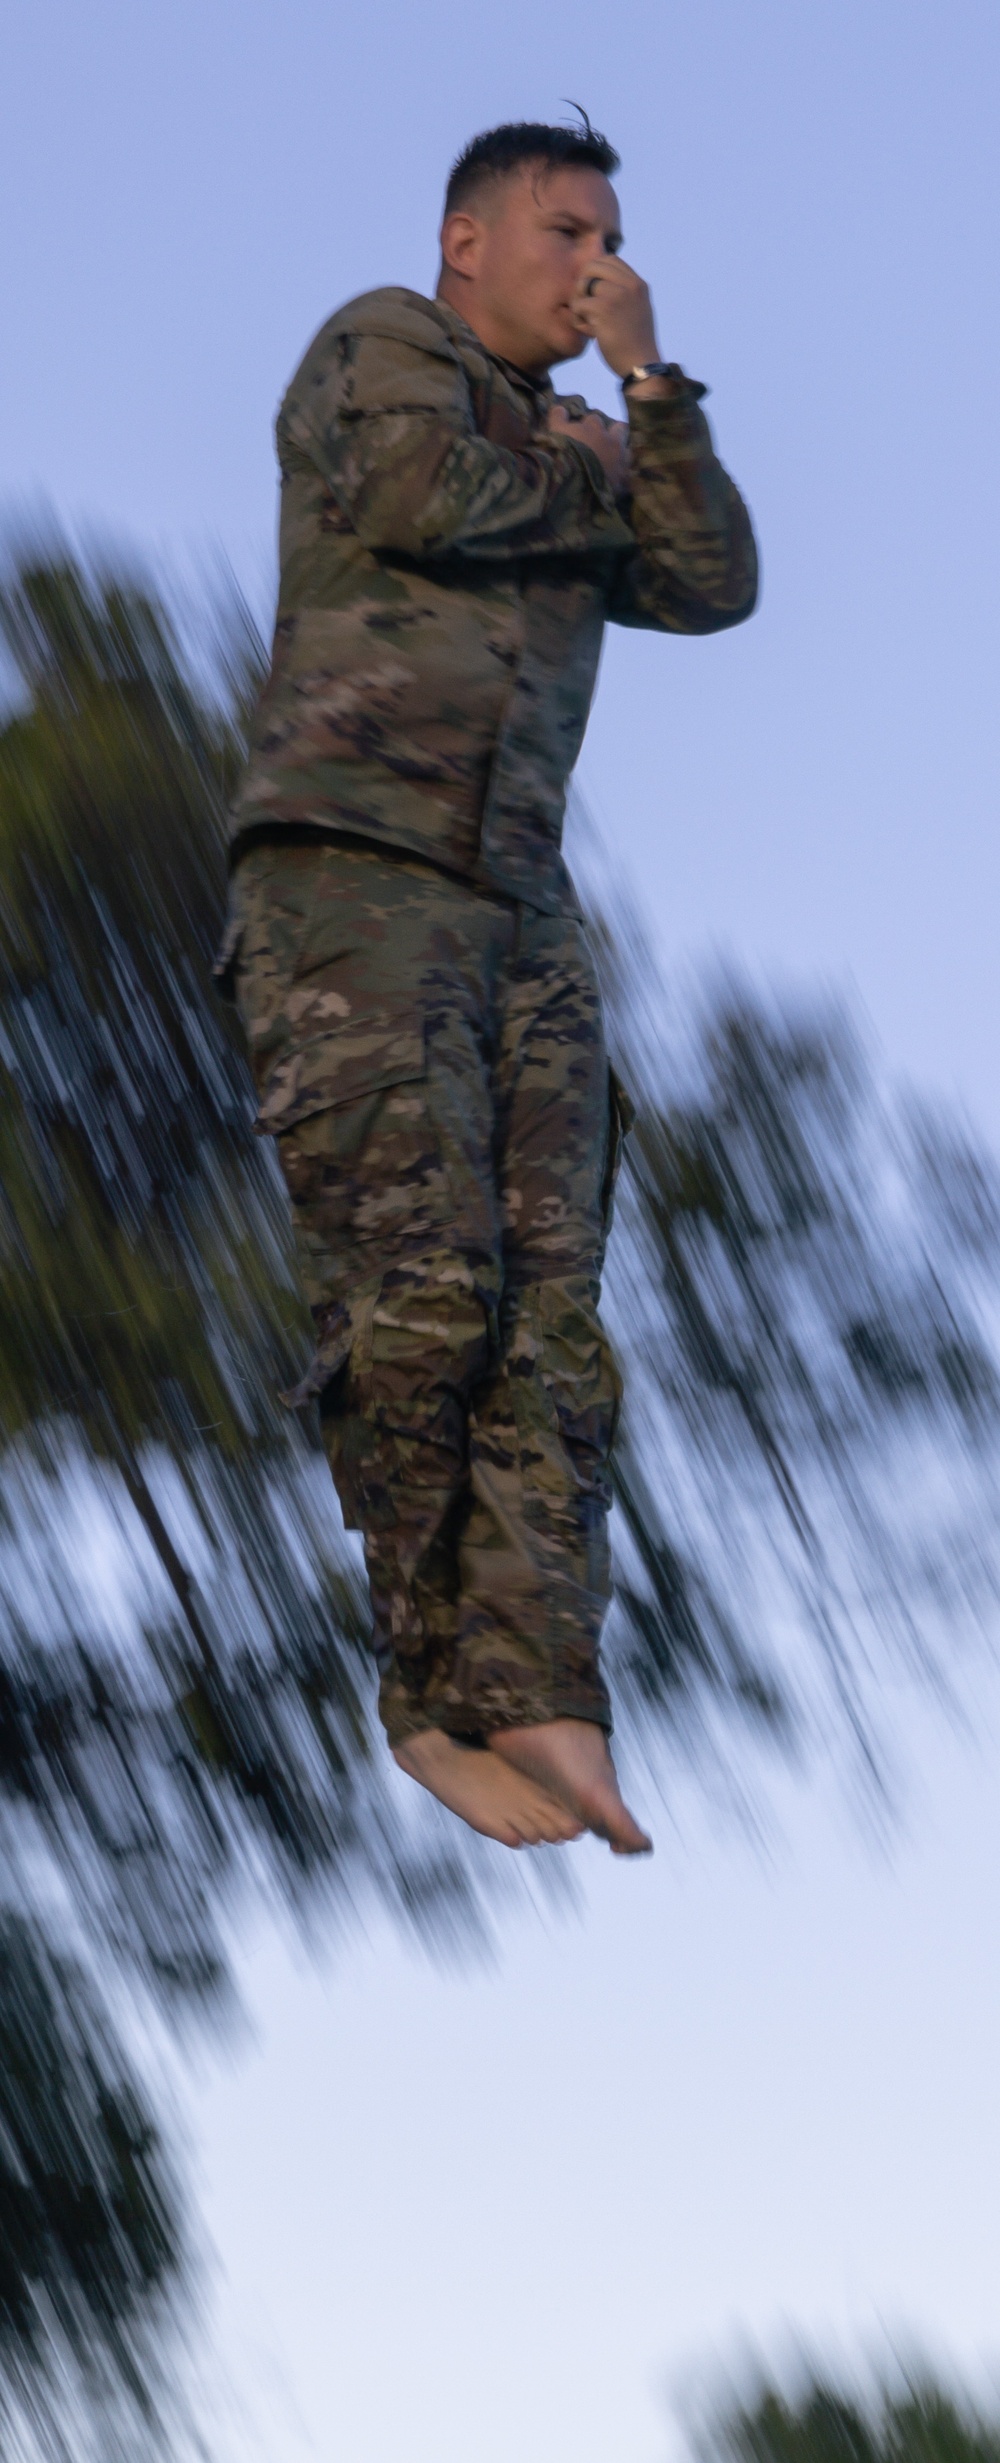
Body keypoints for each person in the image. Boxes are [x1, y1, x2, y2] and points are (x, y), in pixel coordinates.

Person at [217, 116, 757, 1855]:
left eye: (609, 239)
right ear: (469, 240)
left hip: (522, 906)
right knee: (423, 1296)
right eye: (567, 231)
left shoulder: (593, 421)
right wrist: (589, 472)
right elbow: (406, 494)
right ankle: (424, 1698)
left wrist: (653, 396)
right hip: (350, 872)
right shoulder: (388, 342)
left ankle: (541, 1690)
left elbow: (710, 584)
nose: (594, 265)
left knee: (551, 1325)